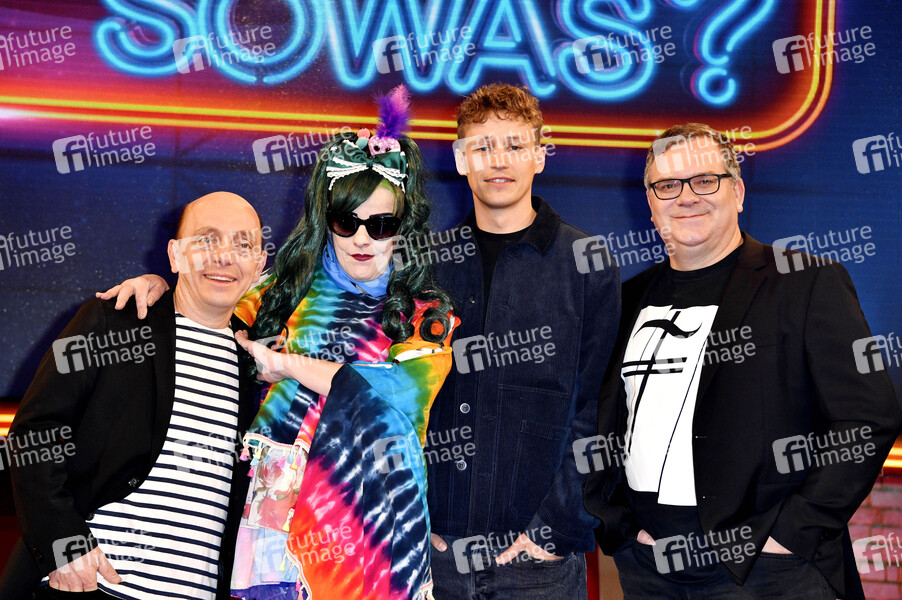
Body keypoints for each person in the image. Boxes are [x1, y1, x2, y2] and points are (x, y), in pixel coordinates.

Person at [97, 86, 458, 600]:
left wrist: (288, 366)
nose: (361, 239)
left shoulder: (425, 316)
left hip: (376, 521)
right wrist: (157, 286)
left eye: (381, 225)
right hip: (276, 513)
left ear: (403, 227)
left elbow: (398, 394)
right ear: (326, 220)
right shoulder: (282, 292)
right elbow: (207, 305)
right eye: (346, 221)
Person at [583, 123, 902, 599]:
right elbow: (600, 420)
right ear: (650, 202)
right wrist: (620, 527)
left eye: (704, 180)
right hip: (649, 569)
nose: (686, 197)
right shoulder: (625, 300)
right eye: (667, 185)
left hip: (767, 571)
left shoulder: (805, 282)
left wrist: (791, 533)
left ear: (737, 192)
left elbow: (869, 417)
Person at [0, 192, 267, 600]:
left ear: (259, 265)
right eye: (207, 239)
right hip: (92, 587)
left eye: (243, 244)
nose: (224, 256)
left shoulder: (261, 368)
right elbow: (34, 432)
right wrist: (62, 542)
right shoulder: (114, 320)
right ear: (175, 255)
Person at [425, 83, 620, 599]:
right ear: (461, 159)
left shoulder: (586, 262)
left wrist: (555, 528)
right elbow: (402, 400)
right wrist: (419, 515)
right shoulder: (428, 266)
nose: (498, 160)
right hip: (437, 554)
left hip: (538, 565)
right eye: (482, 146)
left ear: (539, 154)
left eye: (514, 145)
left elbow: (601, 409)